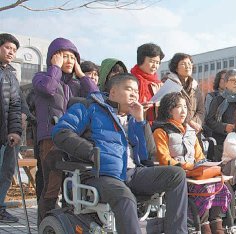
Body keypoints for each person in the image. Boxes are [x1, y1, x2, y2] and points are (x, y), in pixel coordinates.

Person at [52, 73, 188, 234]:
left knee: (177, 175)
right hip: (101, 175)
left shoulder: (133, 117)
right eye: (129, 89)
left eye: (136, 91)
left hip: (133, 173)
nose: (134, 94)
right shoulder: (89, 107)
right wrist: (91, 153)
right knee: (125, 197)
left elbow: (149, 154)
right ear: (113, 92)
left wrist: (140, 121)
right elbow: (61, 132)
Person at [32, 37, 99, 224]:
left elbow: (97, 98)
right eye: (64, 56)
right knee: (52, 186)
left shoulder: (77, 85)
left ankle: (66, 222)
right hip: (50, 138)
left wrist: (82, 75)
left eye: (73, 57)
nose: (69, 61)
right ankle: (45, 224)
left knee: (71, 185)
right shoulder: (41, 77)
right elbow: (48, 89)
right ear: (54, 58)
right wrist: (55, 68)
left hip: (72, 140)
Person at [152, 92, 231, 234]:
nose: (183, 111)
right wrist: (190, 167)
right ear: (168, 109)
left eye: (185, 107)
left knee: (221, 186)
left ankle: (217, 225)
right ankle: (204, 227)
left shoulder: (190, 132)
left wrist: (204, 165)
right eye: (178, 107)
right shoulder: (160, 131)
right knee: (206, 189)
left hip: (194, 175)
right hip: (177, 177)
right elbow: (165, 160)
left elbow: (200, 157)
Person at [0, 33, 22, 223]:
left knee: (7, 171)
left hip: (6, 135)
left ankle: (0, 208)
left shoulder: (11, 76)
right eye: (8, 47)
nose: (11, 52)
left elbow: (15, 106)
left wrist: (15, 131)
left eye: (14, 50)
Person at [206, 69, 236, 161]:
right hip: (222, 143)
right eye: (233, 80)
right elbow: (209, 121)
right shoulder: (218, 100)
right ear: (225, 83)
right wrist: (224, 127)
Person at [165, 53, 204, 134]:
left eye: (189, 63)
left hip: (193, 131)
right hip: (174, 129)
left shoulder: (195, 86)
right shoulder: (169, 84)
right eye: (183, 64)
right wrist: (188, 123)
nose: (188, 66)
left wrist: (194, 124)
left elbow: (201, 110)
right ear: (175, 68)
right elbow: (167, 109)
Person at [130, 43, 164, 122]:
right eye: (152, 61)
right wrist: (139, 108)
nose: (155, 66)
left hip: (156, 127)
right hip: (137, 125)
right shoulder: (131, 81)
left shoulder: (158, 84)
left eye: (157, 63)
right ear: (141, 60)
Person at [203, 69, 227, 138]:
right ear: (218, 81)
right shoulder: (212, 96)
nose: (226, 81)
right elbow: (208, 118)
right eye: (224, 78)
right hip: (216, 134)